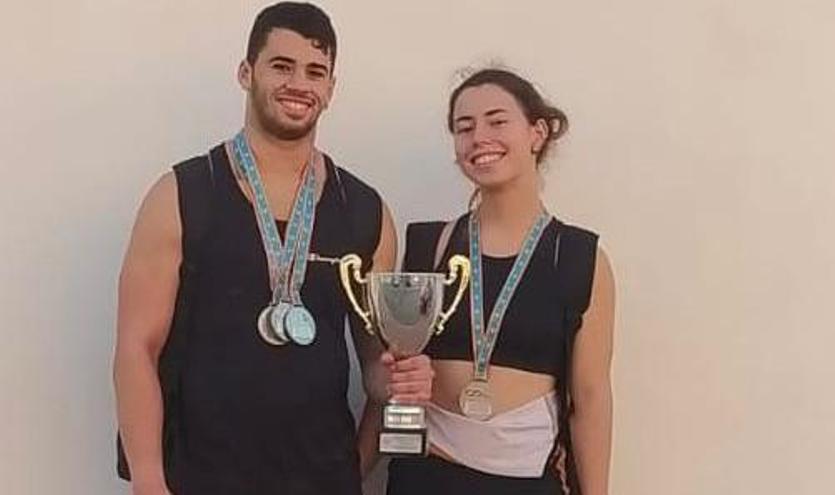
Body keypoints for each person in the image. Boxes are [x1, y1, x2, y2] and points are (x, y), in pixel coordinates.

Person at [112, 3, 432, 494]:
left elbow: (377, 363)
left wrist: (366, 446)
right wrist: (149, 480)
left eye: (315, 71)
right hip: (200, 477)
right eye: (281, 66)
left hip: (321, 477)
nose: (299, 83)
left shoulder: (365, 210)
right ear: (246, 72)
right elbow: (137, 348)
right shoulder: (182, 193)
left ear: (330, 89)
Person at [387, 68, 615, 495]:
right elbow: (390, 376)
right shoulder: (428, 247)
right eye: (464, 127)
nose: (479, 138)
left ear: (537, 132)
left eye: (497, 121)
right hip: (429, 476)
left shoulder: (580, 258)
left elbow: (591, 399)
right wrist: (399, 378)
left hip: (525, 483)